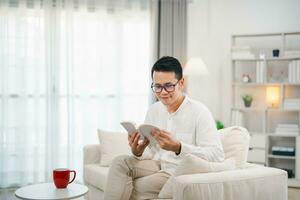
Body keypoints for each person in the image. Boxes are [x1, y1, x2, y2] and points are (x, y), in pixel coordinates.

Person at [103, 56, 224, 200]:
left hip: (178, 172)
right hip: (158, 164)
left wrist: (179, 147)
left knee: (133, 185)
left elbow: (217, 155)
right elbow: (151, 150)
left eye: (169, 85)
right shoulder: (154, 110)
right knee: (119, 162)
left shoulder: (199, 112)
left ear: (181, 83)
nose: (163, 92)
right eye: (157, 86)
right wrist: (138, 151)